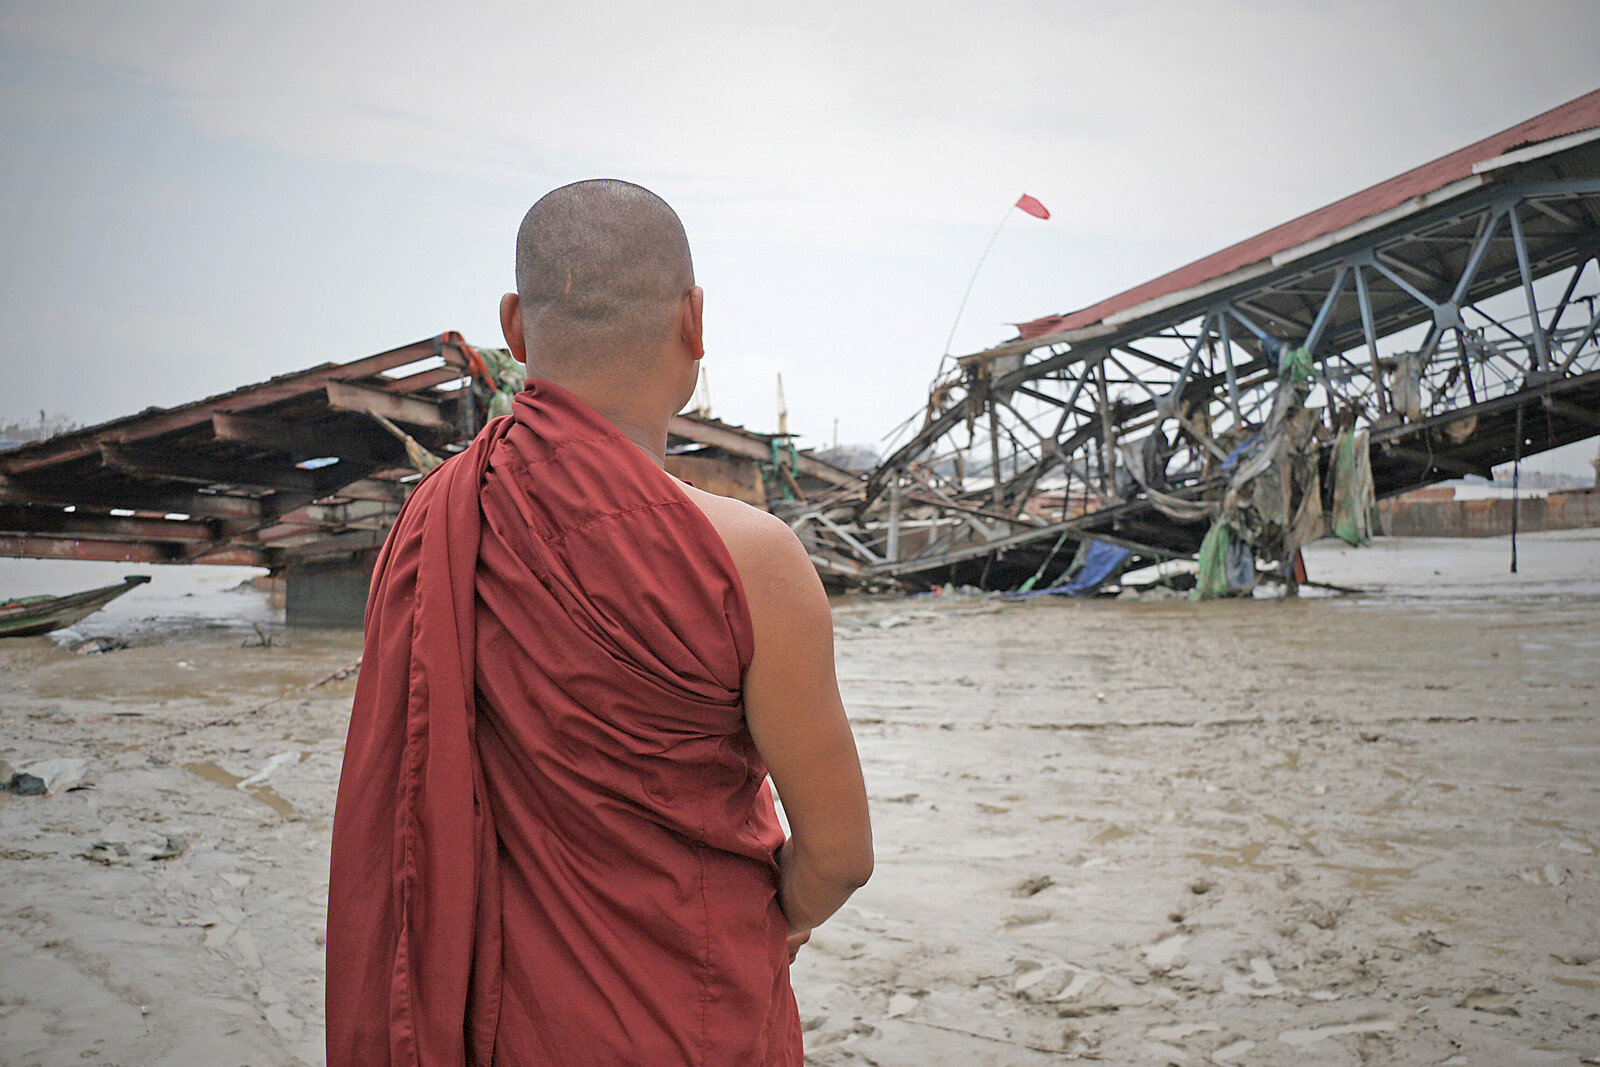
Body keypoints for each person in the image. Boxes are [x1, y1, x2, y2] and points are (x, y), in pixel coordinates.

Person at [326, 179, 873, 1066]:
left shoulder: (437, 524)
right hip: (695, 1018)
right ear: (694, 322)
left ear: (513, 326)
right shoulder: (755, 558)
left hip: (501, 1028)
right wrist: (783, 920)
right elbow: (840, 853)